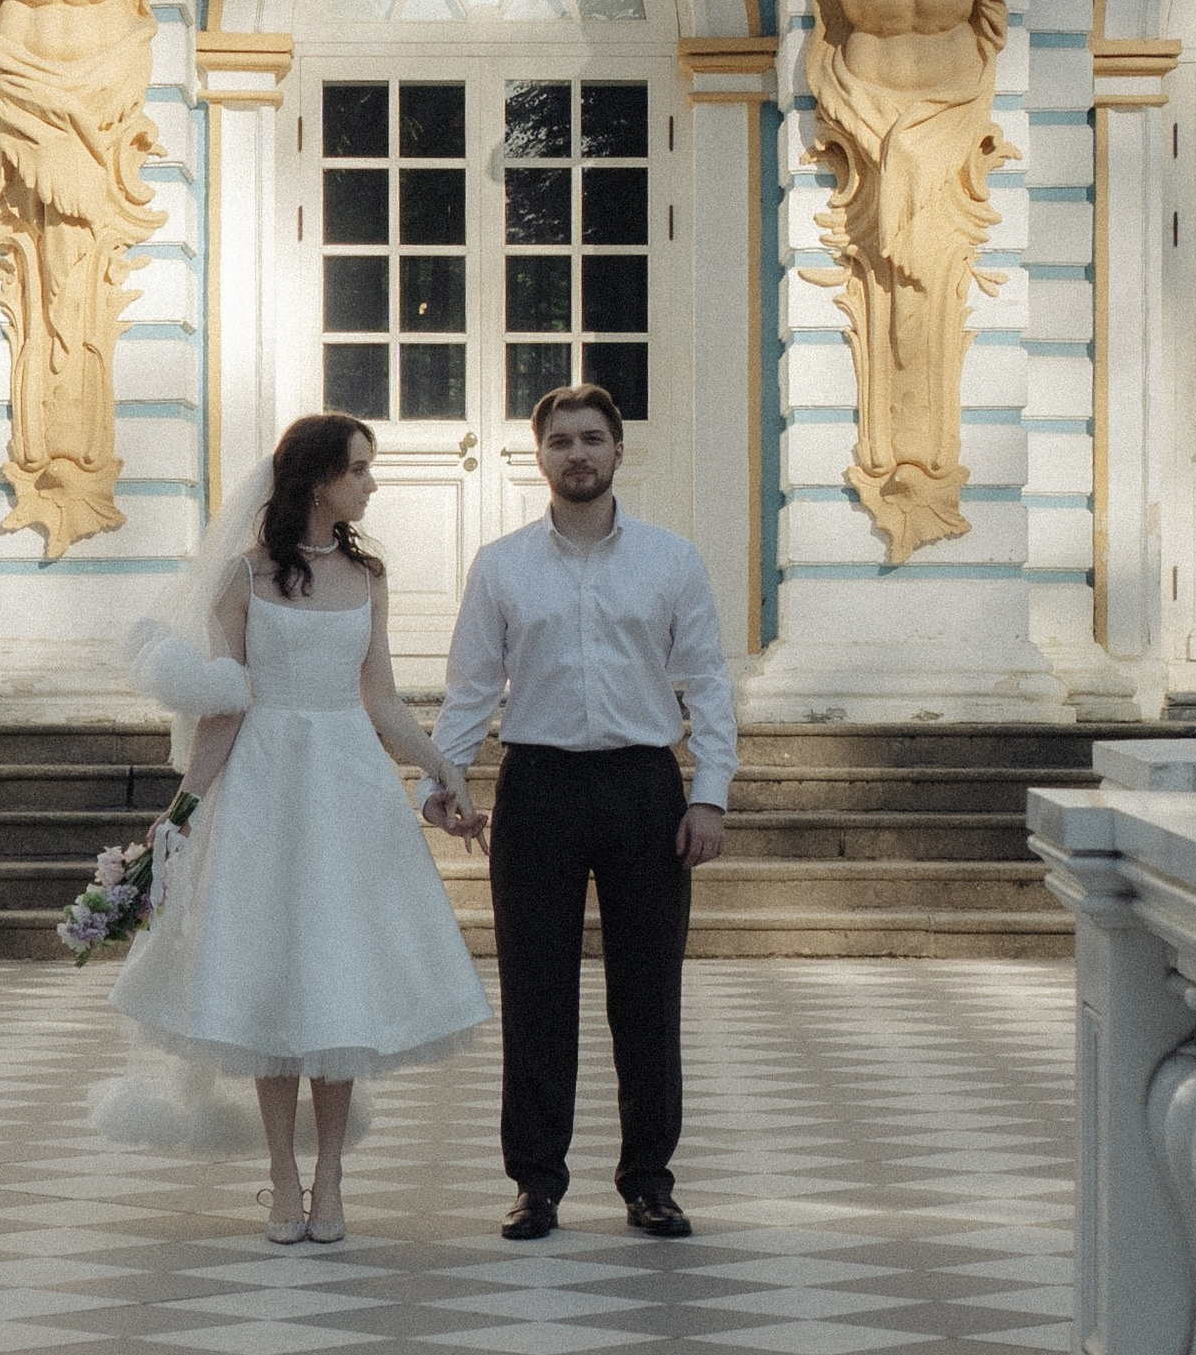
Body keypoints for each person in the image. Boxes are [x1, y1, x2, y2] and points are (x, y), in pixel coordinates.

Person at [113, 415, 489, 1244]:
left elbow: (380, 698)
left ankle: (332, 1179)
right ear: (318, 479)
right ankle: (283, 1177)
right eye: (359, 469)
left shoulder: (369, 576)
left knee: (336, 975)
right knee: (274, 976)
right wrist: (182, 810)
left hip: (347, 788)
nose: (371, 484)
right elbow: (226, 707)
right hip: (264, 788)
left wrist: (444, 765)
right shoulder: (244, 577)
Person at [425, 385, 736, 1242]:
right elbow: (471, 686)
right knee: (535, 993)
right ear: (540, 456)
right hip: (539, 787)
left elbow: (707, 683)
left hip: (644, 789)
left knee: (648, 994)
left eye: (592, 439)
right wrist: (442, 781)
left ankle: (649, 1181)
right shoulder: (502, 566)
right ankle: (536, 1182)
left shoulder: (672, 560)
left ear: (619, 451)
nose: (578, 454)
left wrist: (710, 793)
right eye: (561, 441)